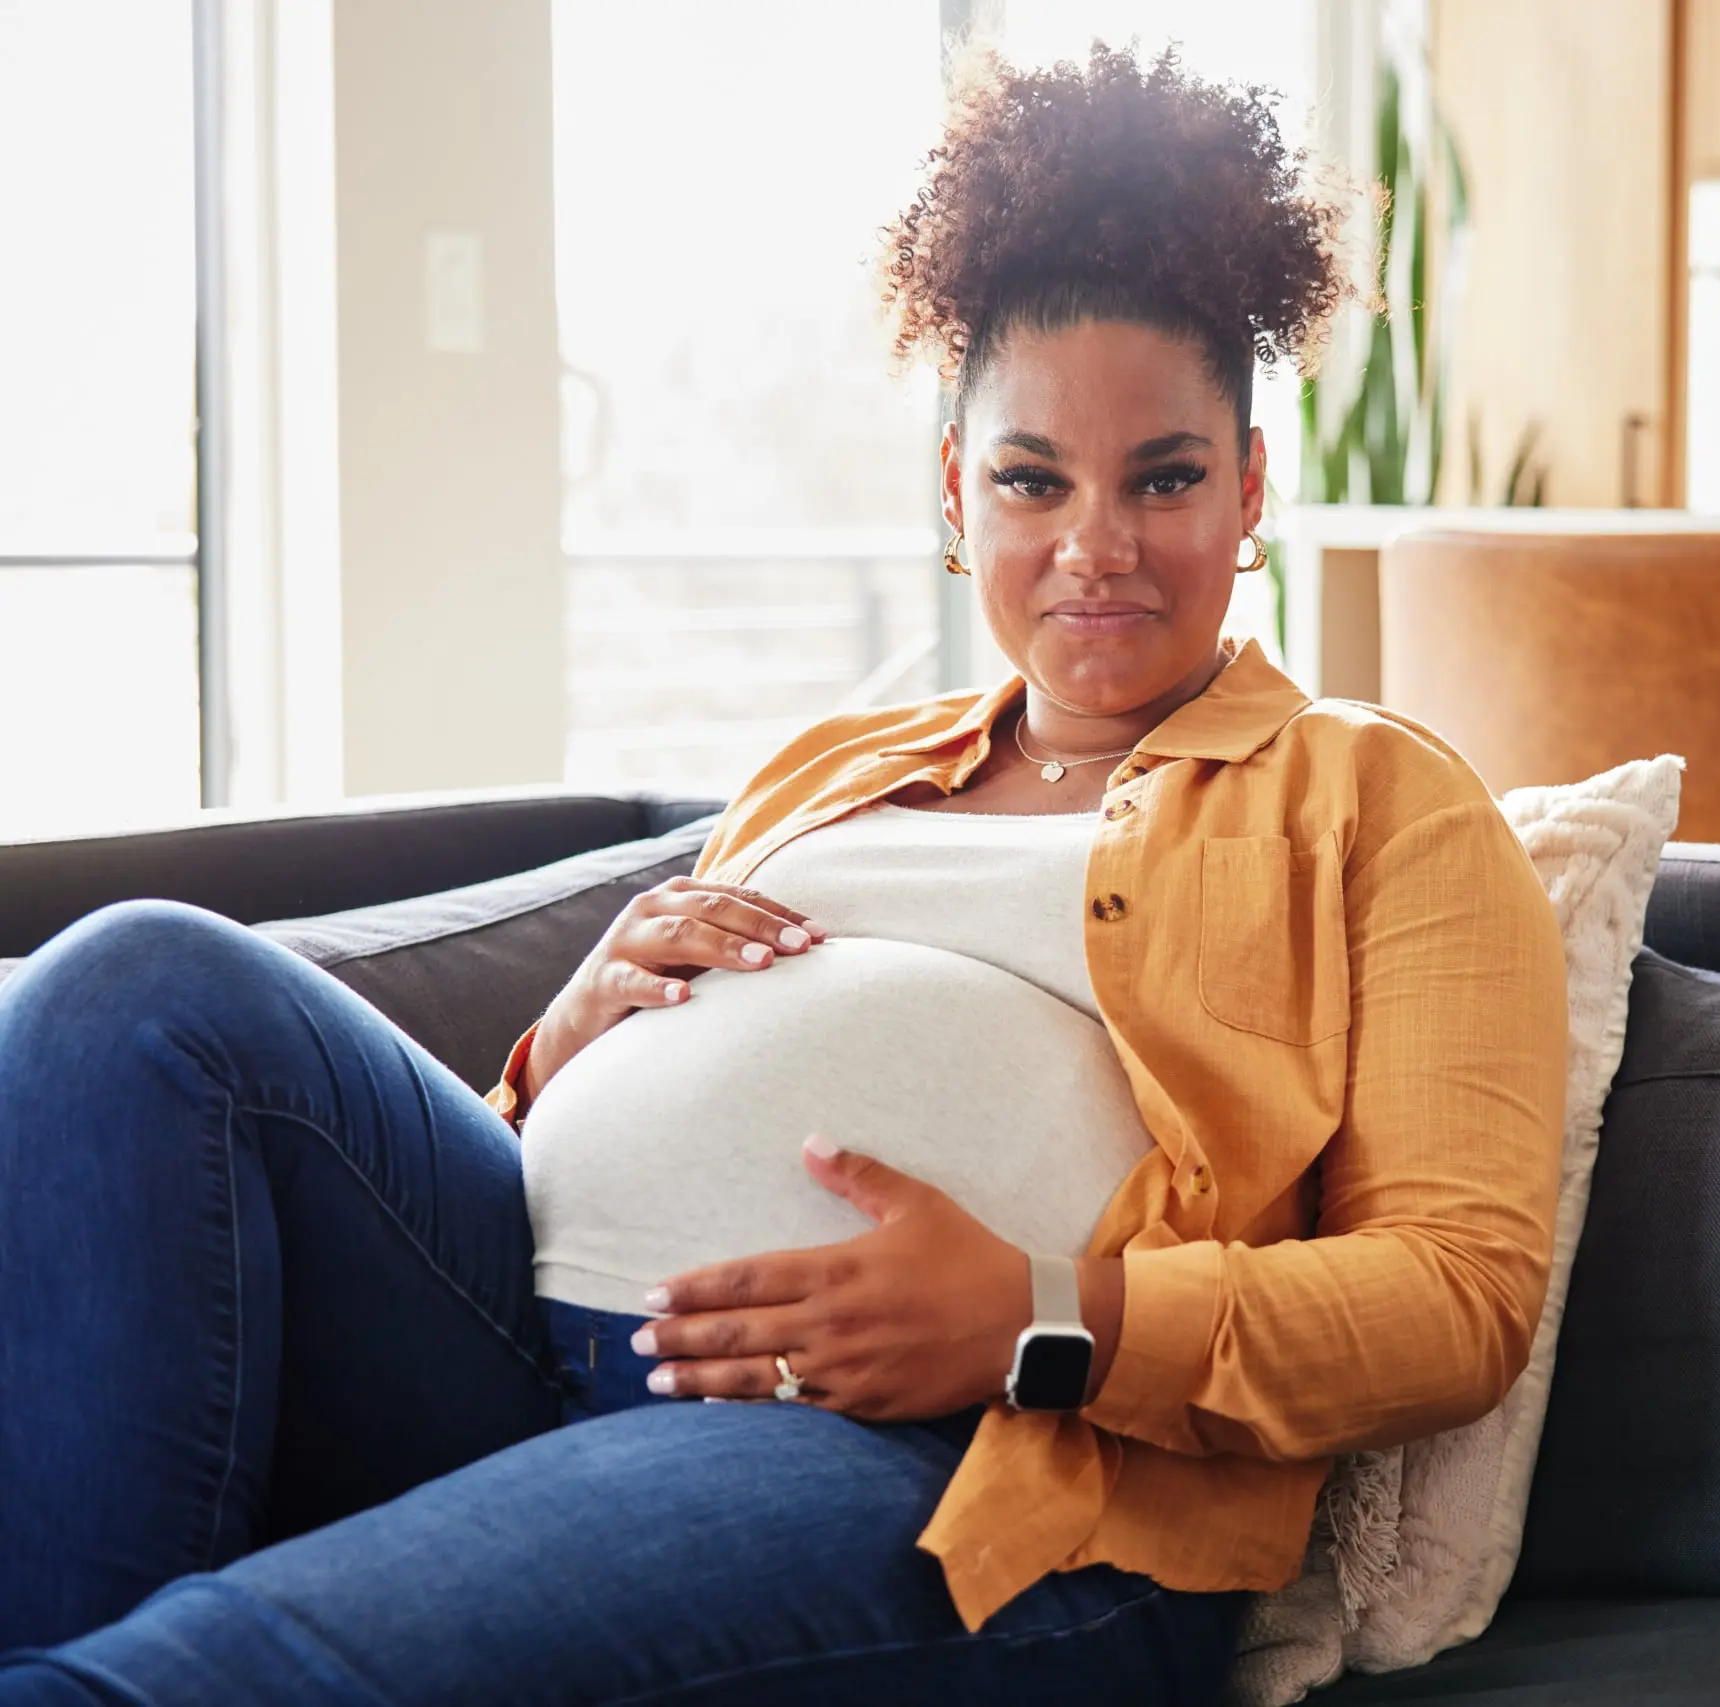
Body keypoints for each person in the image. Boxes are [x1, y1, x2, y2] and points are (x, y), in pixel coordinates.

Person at [0, 44, 1566, 1705]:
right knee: (138, 982)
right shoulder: (830, 769)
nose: (1095, 544)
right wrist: (563, 1046)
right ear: (960, 498)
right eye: (1033, 478)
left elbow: (1455, 1301)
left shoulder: (1377, 799)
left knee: (213, 1673)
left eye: (1163, 478)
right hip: (512, 1346)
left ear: (1249, 490)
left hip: (957, 1469)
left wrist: (1041, 1316)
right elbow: (558, 1146)